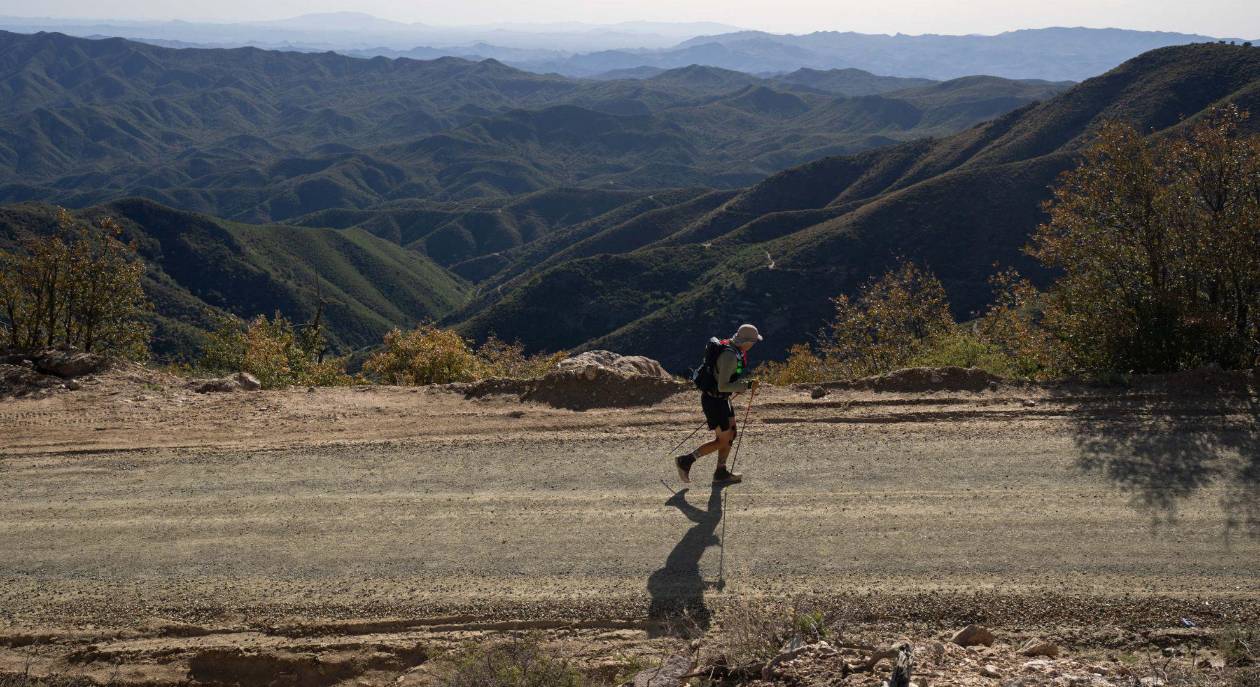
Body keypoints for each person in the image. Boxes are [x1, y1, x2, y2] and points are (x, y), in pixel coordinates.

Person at [675, 324, 762, 484]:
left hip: (721, 399)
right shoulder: (730, 356)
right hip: (715, 401)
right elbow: (723, 385)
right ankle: (686, 460)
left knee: (731, 433)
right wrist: (748, 385)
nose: (754, 345)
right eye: (754, 342)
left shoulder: (731, 346)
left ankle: (721, 472)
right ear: (748, 342)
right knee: (722, 440)